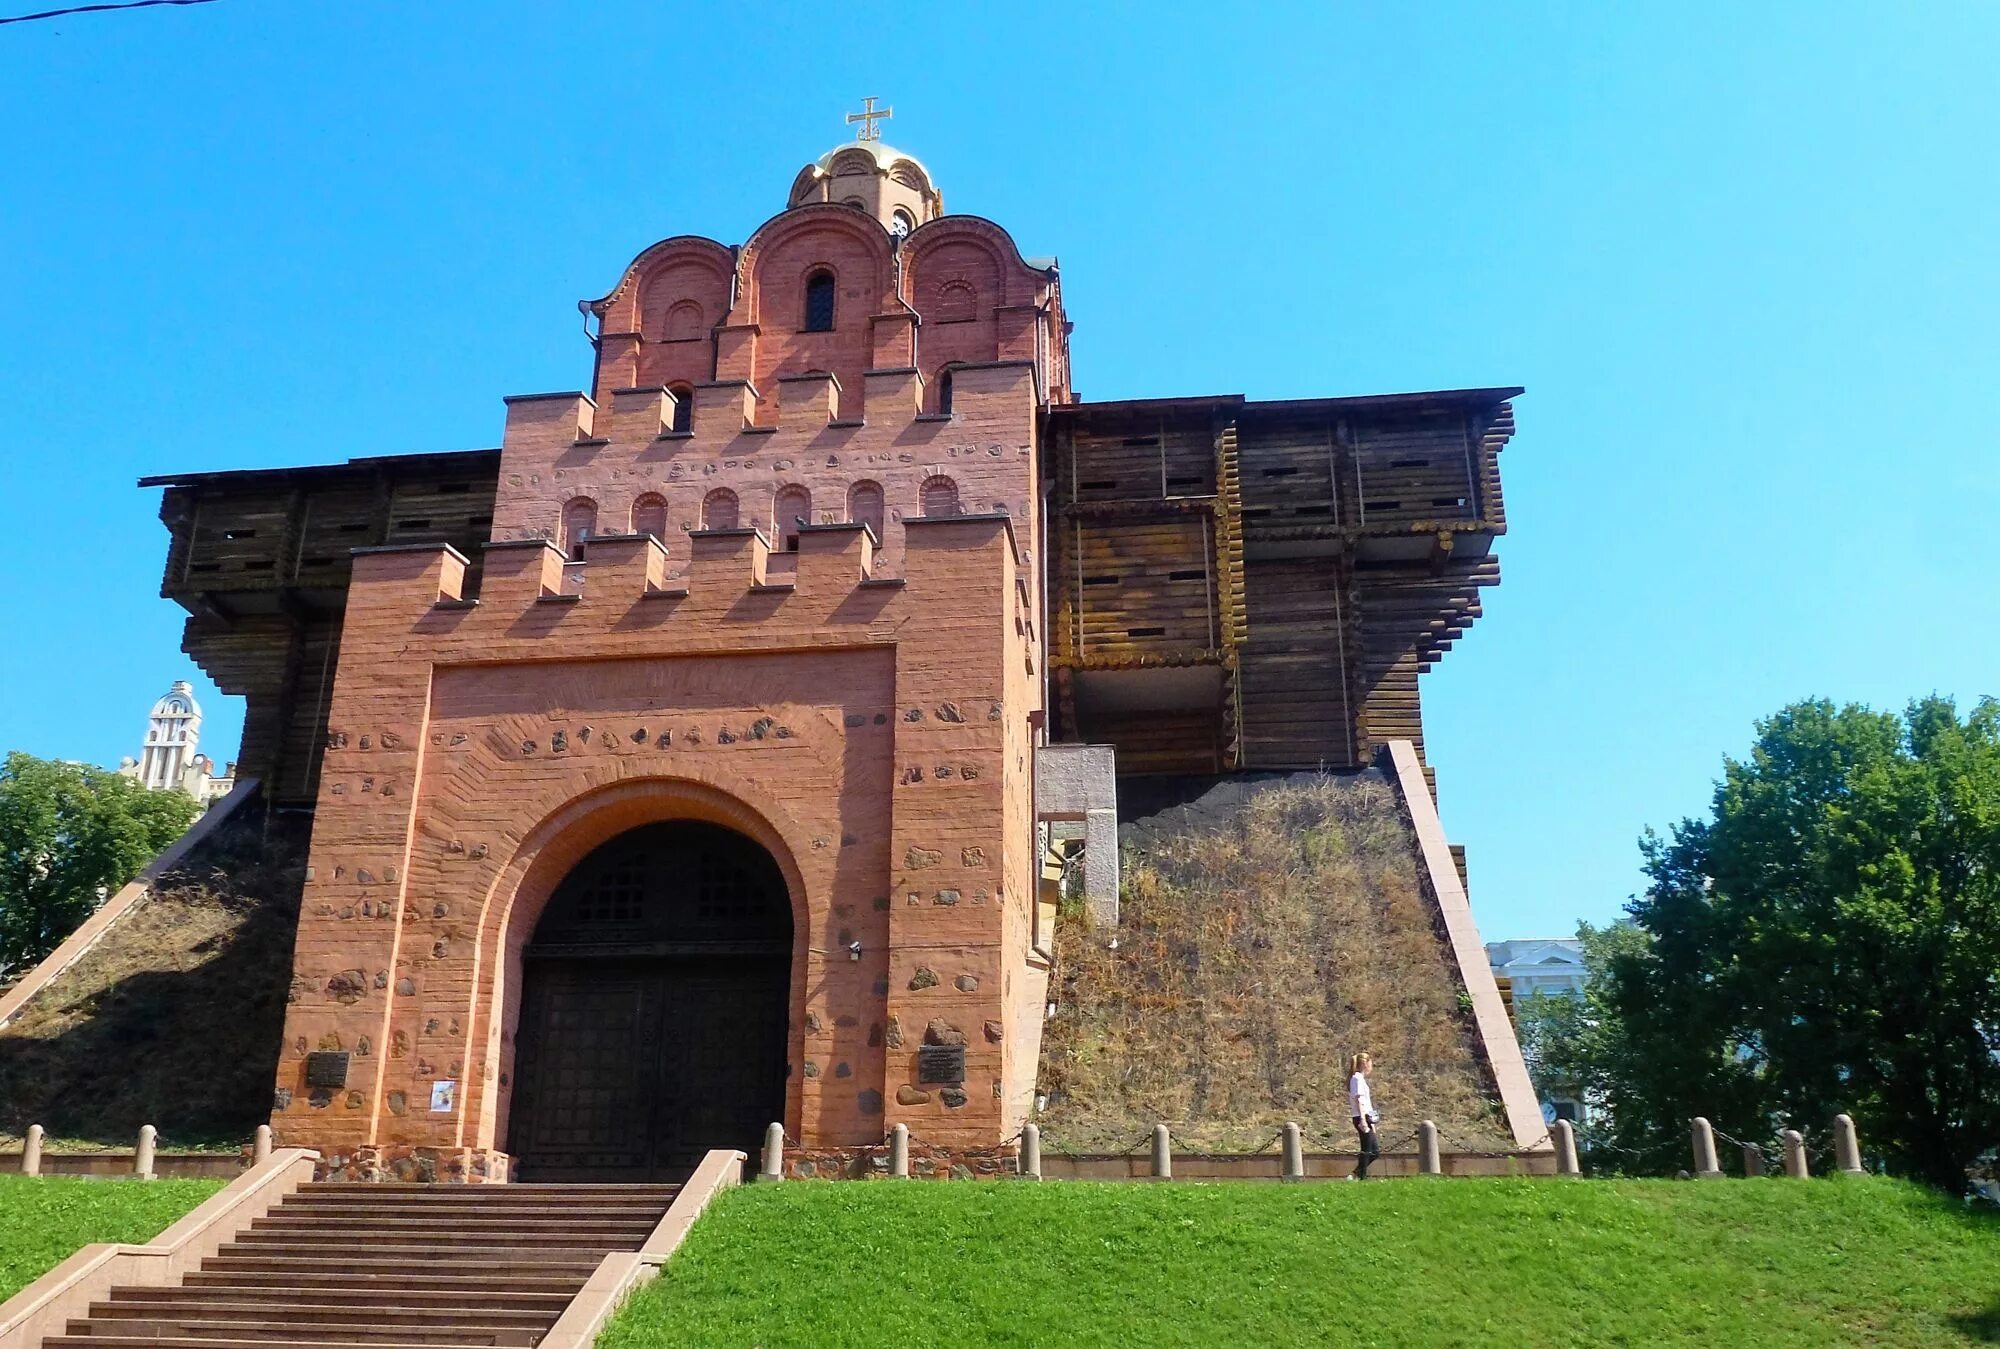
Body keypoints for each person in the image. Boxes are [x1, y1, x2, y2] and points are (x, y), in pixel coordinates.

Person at [1348, 1051, 1381, 1179]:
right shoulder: (1356, 1079)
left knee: (1373, 1151)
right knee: (1368, 1149)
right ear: (1365, 1064)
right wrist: (1363, 1120)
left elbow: (1367, 1103)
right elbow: (1360, 1100)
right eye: (1370, 1063)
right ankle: (1360, 1176)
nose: (1371, 1067)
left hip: (1366, 1117)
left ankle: (1358, 1173)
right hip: (1361, 1117)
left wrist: (1371, 1122)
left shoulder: (1360, 1079)